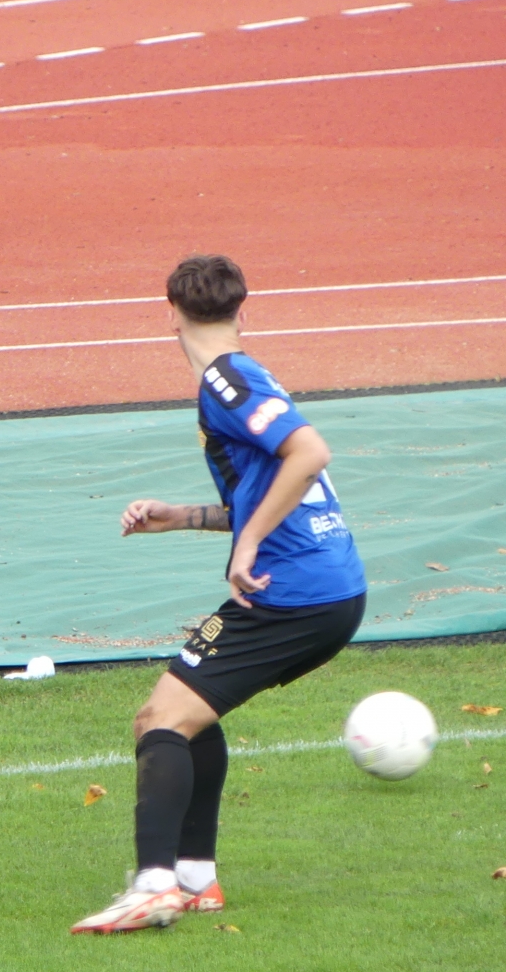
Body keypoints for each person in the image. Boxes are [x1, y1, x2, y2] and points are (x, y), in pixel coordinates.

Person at [72, 254, 366, 934]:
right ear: (242, 311)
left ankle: (154, 886)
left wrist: (248, 543)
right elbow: (270, 488)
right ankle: (195, 877)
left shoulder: (225, 381)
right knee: (190, 710)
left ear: (170, 312)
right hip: (325, 589)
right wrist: (182, 516)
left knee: (160, 720)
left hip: (293, 591)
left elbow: (310, 454)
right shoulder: (246, 374)